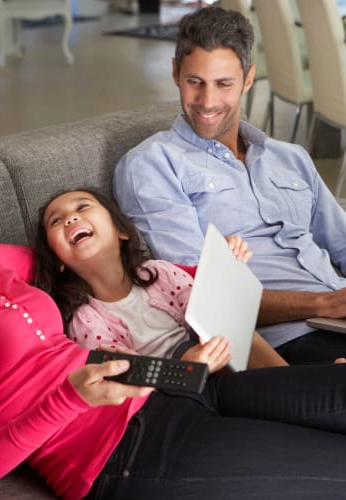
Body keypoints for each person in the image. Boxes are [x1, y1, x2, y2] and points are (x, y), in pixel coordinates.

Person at [0, 132, 346, 500]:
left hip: (177, 386)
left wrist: (213, 267)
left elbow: (103, 261)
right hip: (124, 456)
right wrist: (66, 400)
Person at [114, 5, 346, 365]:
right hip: (286, 340)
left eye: (224, 84)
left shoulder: (290, 157)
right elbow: (202, 296)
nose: (207, 102)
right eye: (195, 82)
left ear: (248, 78)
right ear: (175, 73)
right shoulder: (152, 165)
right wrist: (324, 303)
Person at [34, 188, 287, 372]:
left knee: (233, 334)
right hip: (175, 387)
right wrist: (187, 368)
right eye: (56, 220)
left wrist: (227, 267)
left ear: (121, 231)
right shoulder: (86, 320)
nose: (71, 218)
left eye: (83, 207)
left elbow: (208, 312)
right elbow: (126, 378)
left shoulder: (160, 272)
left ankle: (292, 380)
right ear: (59, 260)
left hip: (211, 350)